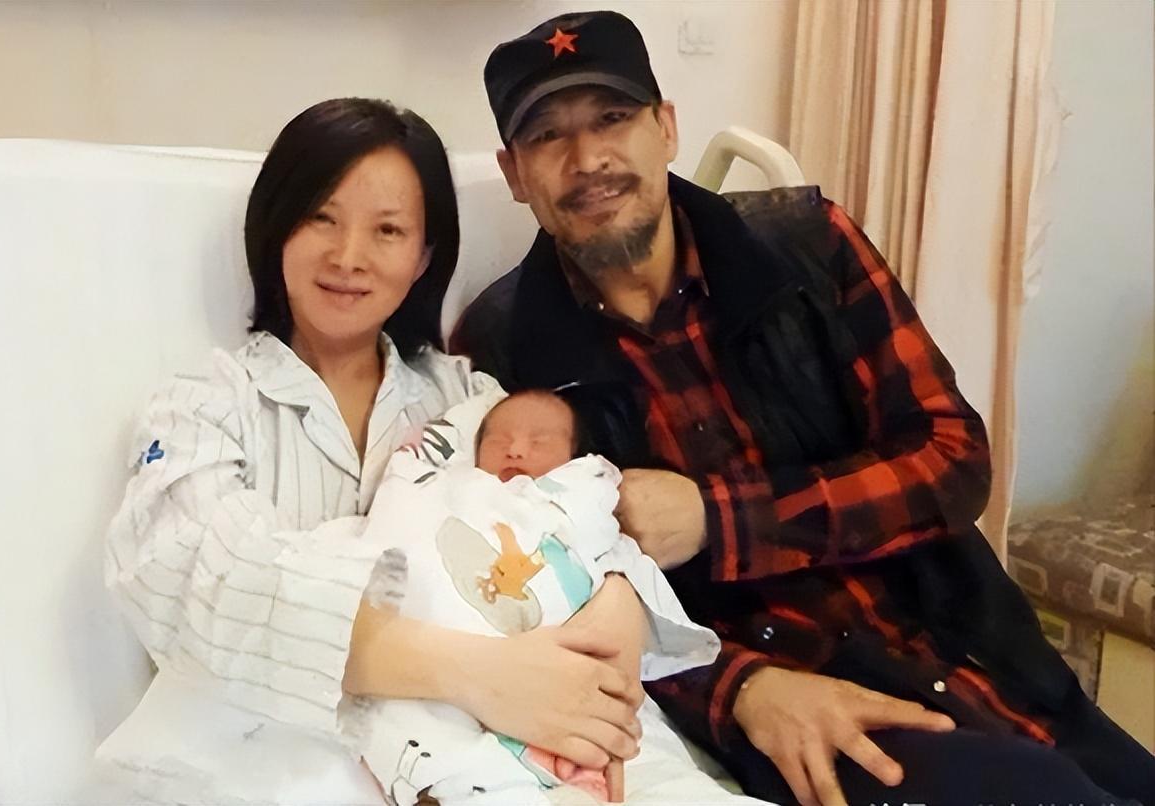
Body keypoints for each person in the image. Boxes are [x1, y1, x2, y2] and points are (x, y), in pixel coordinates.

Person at [452, 11, 1155, 806]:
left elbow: (953, 459)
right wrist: (739, 689)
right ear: (515, 173)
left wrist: (718, 519)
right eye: (548, 136)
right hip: (801, 702)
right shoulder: (503, 352)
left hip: (971, 648)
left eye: (612, 117)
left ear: (666, 128)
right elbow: (535, 596)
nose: (588, 160)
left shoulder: (810, 250)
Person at [100, 96, 756, 806]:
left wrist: (618, 604)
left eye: (387, 230)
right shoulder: (205, 406)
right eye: (321, 218)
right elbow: (190, 577)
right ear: (275, 229)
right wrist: (471, 672)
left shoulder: (469, 399)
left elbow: (568, 516)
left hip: (517, 748)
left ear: (423, 258)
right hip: (304, 760)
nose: (348, 257)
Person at [355, 388, 733, 805]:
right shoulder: (446, 488)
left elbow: (624, 569)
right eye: (499, 439)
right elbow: (400, 531)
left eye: (540, 441)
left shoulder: (582, 500)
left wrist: (621, 594)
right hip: (451, 677)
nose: (515, 449)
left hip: (574, 683)